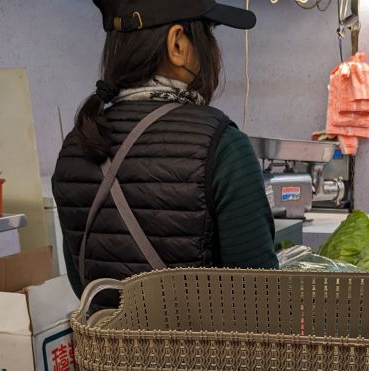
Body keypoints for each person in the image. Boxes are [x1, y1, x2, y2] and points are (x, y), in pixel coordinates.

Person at [52, 0, 278, 299]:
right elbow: (261, 297)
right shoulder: (223, 146)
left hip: (105, 331)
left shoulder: (77, 144)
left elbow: (83, 283)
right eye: (208, 35)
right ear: (177, 44)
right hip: (203, 332)